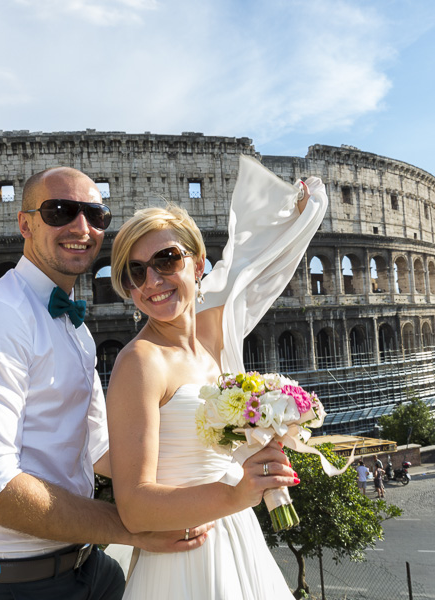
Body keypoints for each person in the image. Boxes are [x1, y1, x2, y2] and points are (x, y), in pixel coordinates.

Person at [0, 167, 211, 600]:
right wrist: (134, 526)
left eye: (95, 215)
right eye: (60, 211)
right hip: (8, 583)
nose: (81, 227)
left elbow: (98, 447)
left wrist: (206, 470)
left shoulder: (74, 328)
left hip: (87, 571)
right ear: (25, 224)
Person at [104, 155, 328, 599]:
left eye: (167, 260)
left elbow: (251, 272)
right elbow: (133, 506)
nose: (152, 280)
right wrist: (237, 493)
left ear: (198, 262)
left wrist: (296, 218)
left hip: (239, 538)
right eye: (135, 271)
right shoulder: (140, 362)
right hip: (184, 556)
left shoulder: (213, 339)